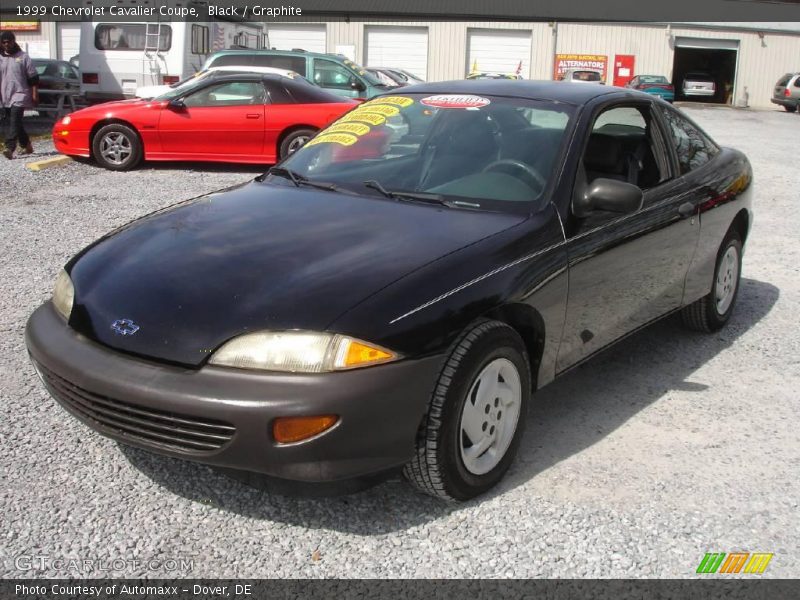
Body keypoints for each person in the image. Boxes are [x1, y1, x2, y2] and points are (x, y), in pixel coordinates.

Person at [0, 30, 39, 159]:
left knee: (15, 119)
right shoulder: (0, 57)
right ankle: (27, 145)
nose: (6, 44)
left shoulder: (23, 57)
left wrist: (35, 94)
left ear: (13, 41)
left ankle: (9, 148)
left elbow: (33, 78)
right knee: (14, 122)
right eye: (4, 42)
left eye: (9, 41)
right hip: (5, 95)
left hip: (20, 93)